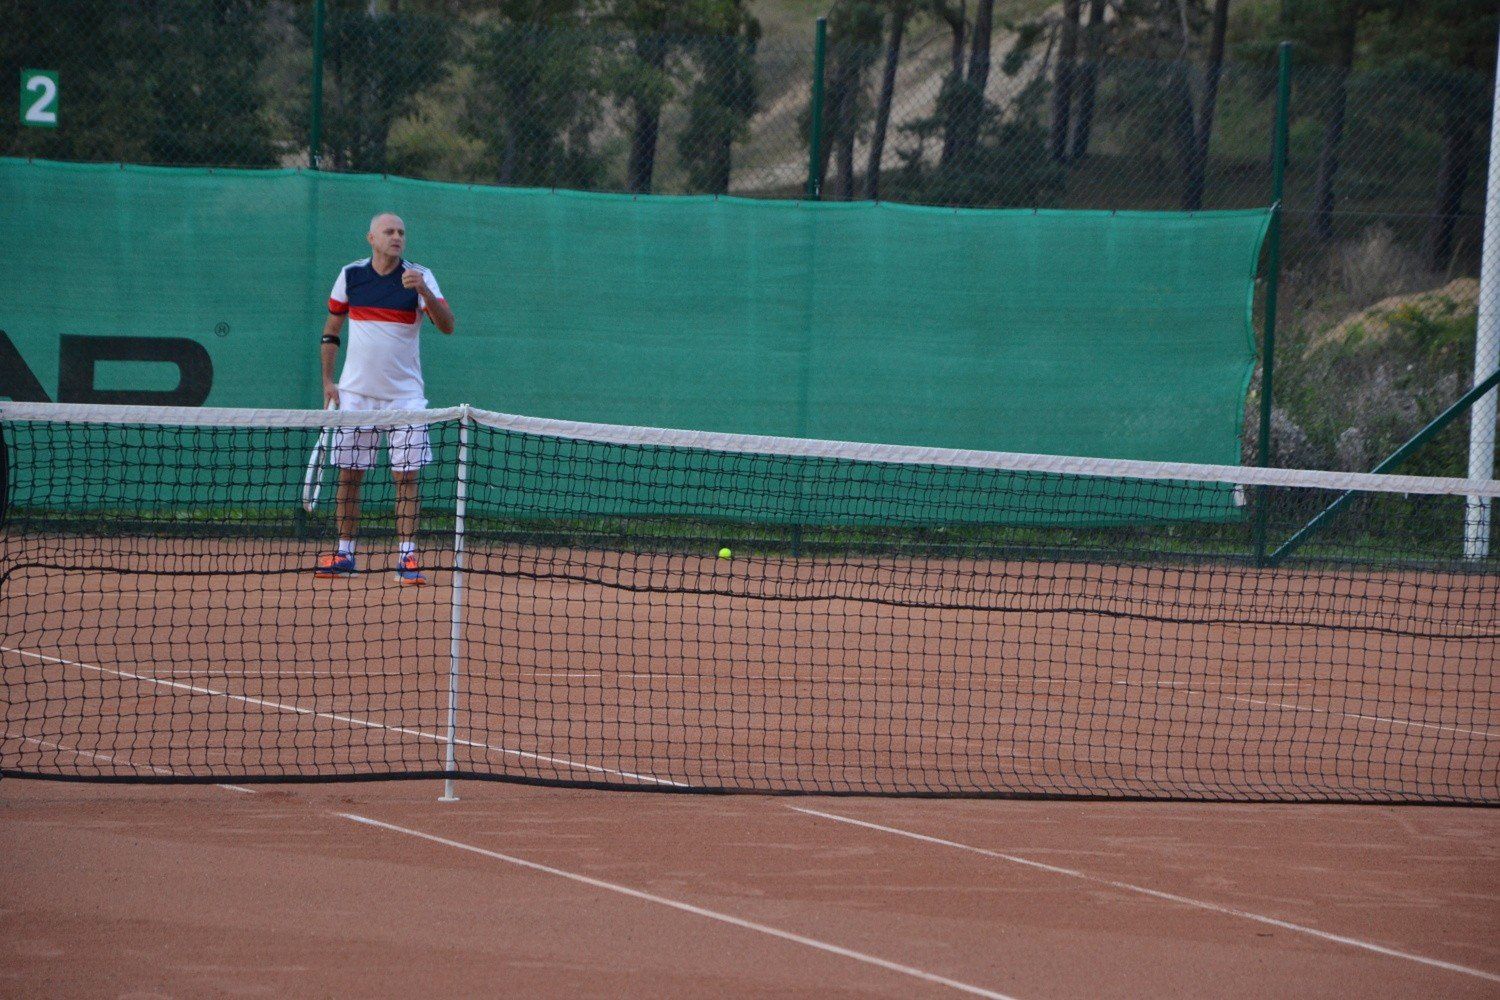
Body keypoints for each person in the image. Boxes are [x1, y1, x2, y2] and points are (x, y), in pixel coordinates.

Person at [314, 212, 456, 585]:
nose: (396, 237)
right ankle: (345, 552)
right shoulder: (350, 276)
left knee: (406, 477)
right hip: (354, 396)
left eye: (401, 232)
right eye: (389, 232)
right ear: (371, 238)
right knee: (349, 475)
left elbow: (447, 326)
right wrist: (329, 381)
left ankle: (407, 557)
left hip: (405, 398)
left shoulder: (420, 275)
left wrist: (423, 290)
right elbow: (331, 330)